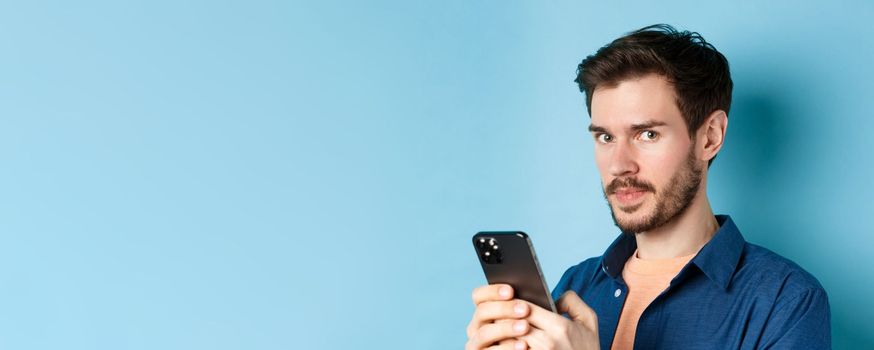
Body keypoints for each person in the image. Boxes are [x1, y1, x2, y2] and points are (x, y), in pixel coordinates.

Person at [464, 24, 830, 350]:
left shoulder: (787, 301)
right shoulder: (576, 286)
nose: (620, 164)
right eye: (606, 136)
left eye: (647, 134)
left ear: (710, 137)